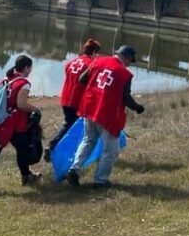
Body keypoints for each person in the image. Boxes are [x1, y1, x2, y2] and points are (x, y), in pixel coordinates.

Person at [66, 45, 145, 189]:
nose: (129, 64)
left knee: (88, 140)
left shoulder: (97, 61)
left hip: (89, 107)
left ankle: (74, 170)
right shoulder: (124, 74)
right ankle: (100, 181)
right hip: (108, 114)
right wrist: (137, 107)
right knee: (110, 151)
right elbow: (125, 97)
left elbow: (82, 80)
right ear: (126, 57)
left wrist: (96, 88)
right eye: (130, 61)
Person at [0, 55, 42, 195]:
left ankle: (26, 176)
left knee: (21, 148)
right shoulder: (24, 83)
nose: (31, 70)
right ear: (26, 67)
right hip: (7, 124)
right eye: (30, 67)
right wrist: (35, 109)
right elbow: (21, 104)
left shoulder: (6, 79)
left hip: (1, 121)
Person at [44, 38, 101, 162]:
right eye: (97, 53)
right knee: (74, 126)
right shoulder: (90, 65)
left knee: (70, 124)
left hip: (66, 98)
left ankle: (62, 149)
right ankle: (54, 147)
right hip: (77, 100)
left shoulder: (71, 63)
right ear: (94, 52)